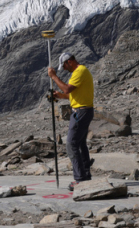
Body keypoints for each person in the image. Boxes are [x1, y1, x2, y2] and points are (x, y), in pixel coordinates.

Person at [47, 52, 94, 191]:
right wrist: (60, 96)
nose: (65, 69)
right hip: (84, 110)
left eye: (65, 66)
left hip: (81, 112)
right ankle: (85, 174)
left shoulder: (80, 71)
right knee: (80, 143)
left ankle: (80, 179)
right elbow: (71, 94)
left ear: (69, 61)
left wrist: (54, 76)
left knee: (71, 143)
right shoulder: (80, 72)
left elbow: (67, 88)